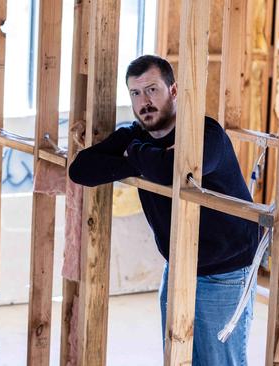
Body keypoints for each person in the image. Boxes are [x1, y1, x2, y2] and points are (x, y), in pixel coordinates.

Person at [69, 54, 259, 365]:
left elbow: (177, 169)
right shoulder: (135, 136)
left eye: (152, 89)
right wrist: (141, 156)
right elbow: (82, 170)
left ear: (173, 91)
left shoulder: (204, 132)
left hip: (225, 272)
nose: (144, 101)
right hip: (179, 266)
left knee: (218, 362)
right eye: (136, 93)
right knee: (178, 358)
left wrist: (136, 156)